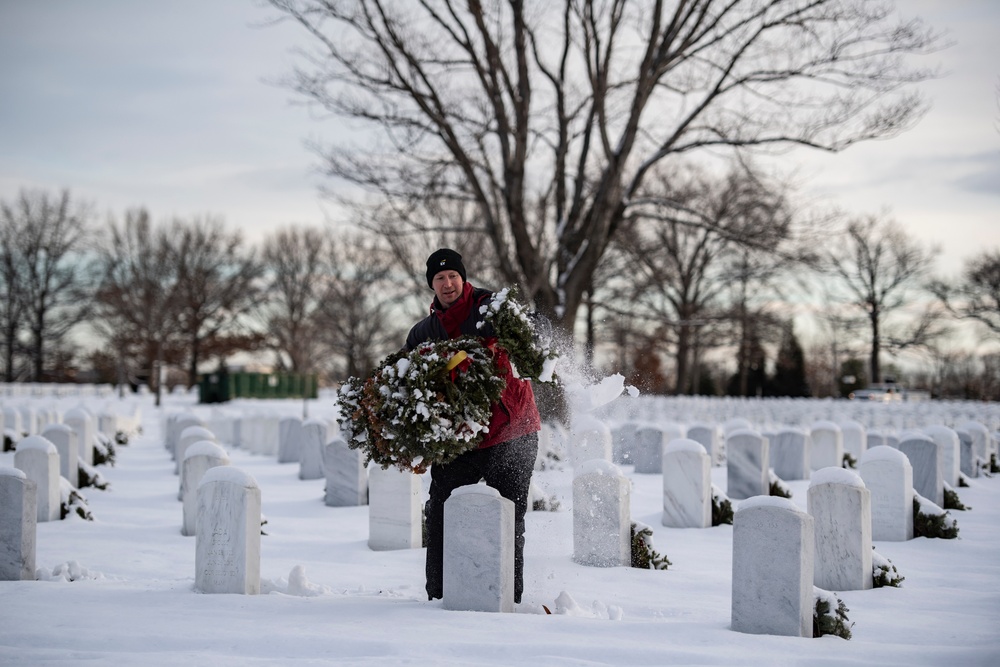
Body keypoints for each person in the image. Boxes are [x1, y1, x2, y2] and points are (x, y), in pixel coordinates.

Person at [405, 248, 541, 604]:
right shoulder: (424, 333)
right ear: (431, 285)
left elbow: (531, 334)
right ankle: (438, 595)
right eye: (439, 278)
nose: (447, 283)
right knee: (440, 511)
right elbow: (412, 383)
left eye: (453, 276)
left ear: (463, 277)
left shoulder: (491, 309)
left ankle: (509, 598)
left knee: (510, 517)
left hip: (512, 431)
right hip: (460, 439)